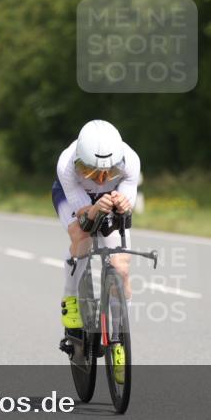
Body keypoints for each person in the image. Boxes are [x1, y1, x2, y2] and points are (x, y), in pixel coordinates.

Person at [52, 120, 140, 361]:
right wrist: (93, 209)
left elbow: (126, 206)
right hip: (73, 199)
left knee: (121, 268)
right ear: (79, 162)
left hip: (109, 200)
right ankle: (70, 298)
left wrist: (123, 205)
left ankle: (119, 336)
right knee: (82, 236)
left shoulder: (131, 160)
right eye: (91, 172)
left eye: (109, 172)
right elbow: (83, 217)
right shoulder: (66, 164)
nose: (101, 179)